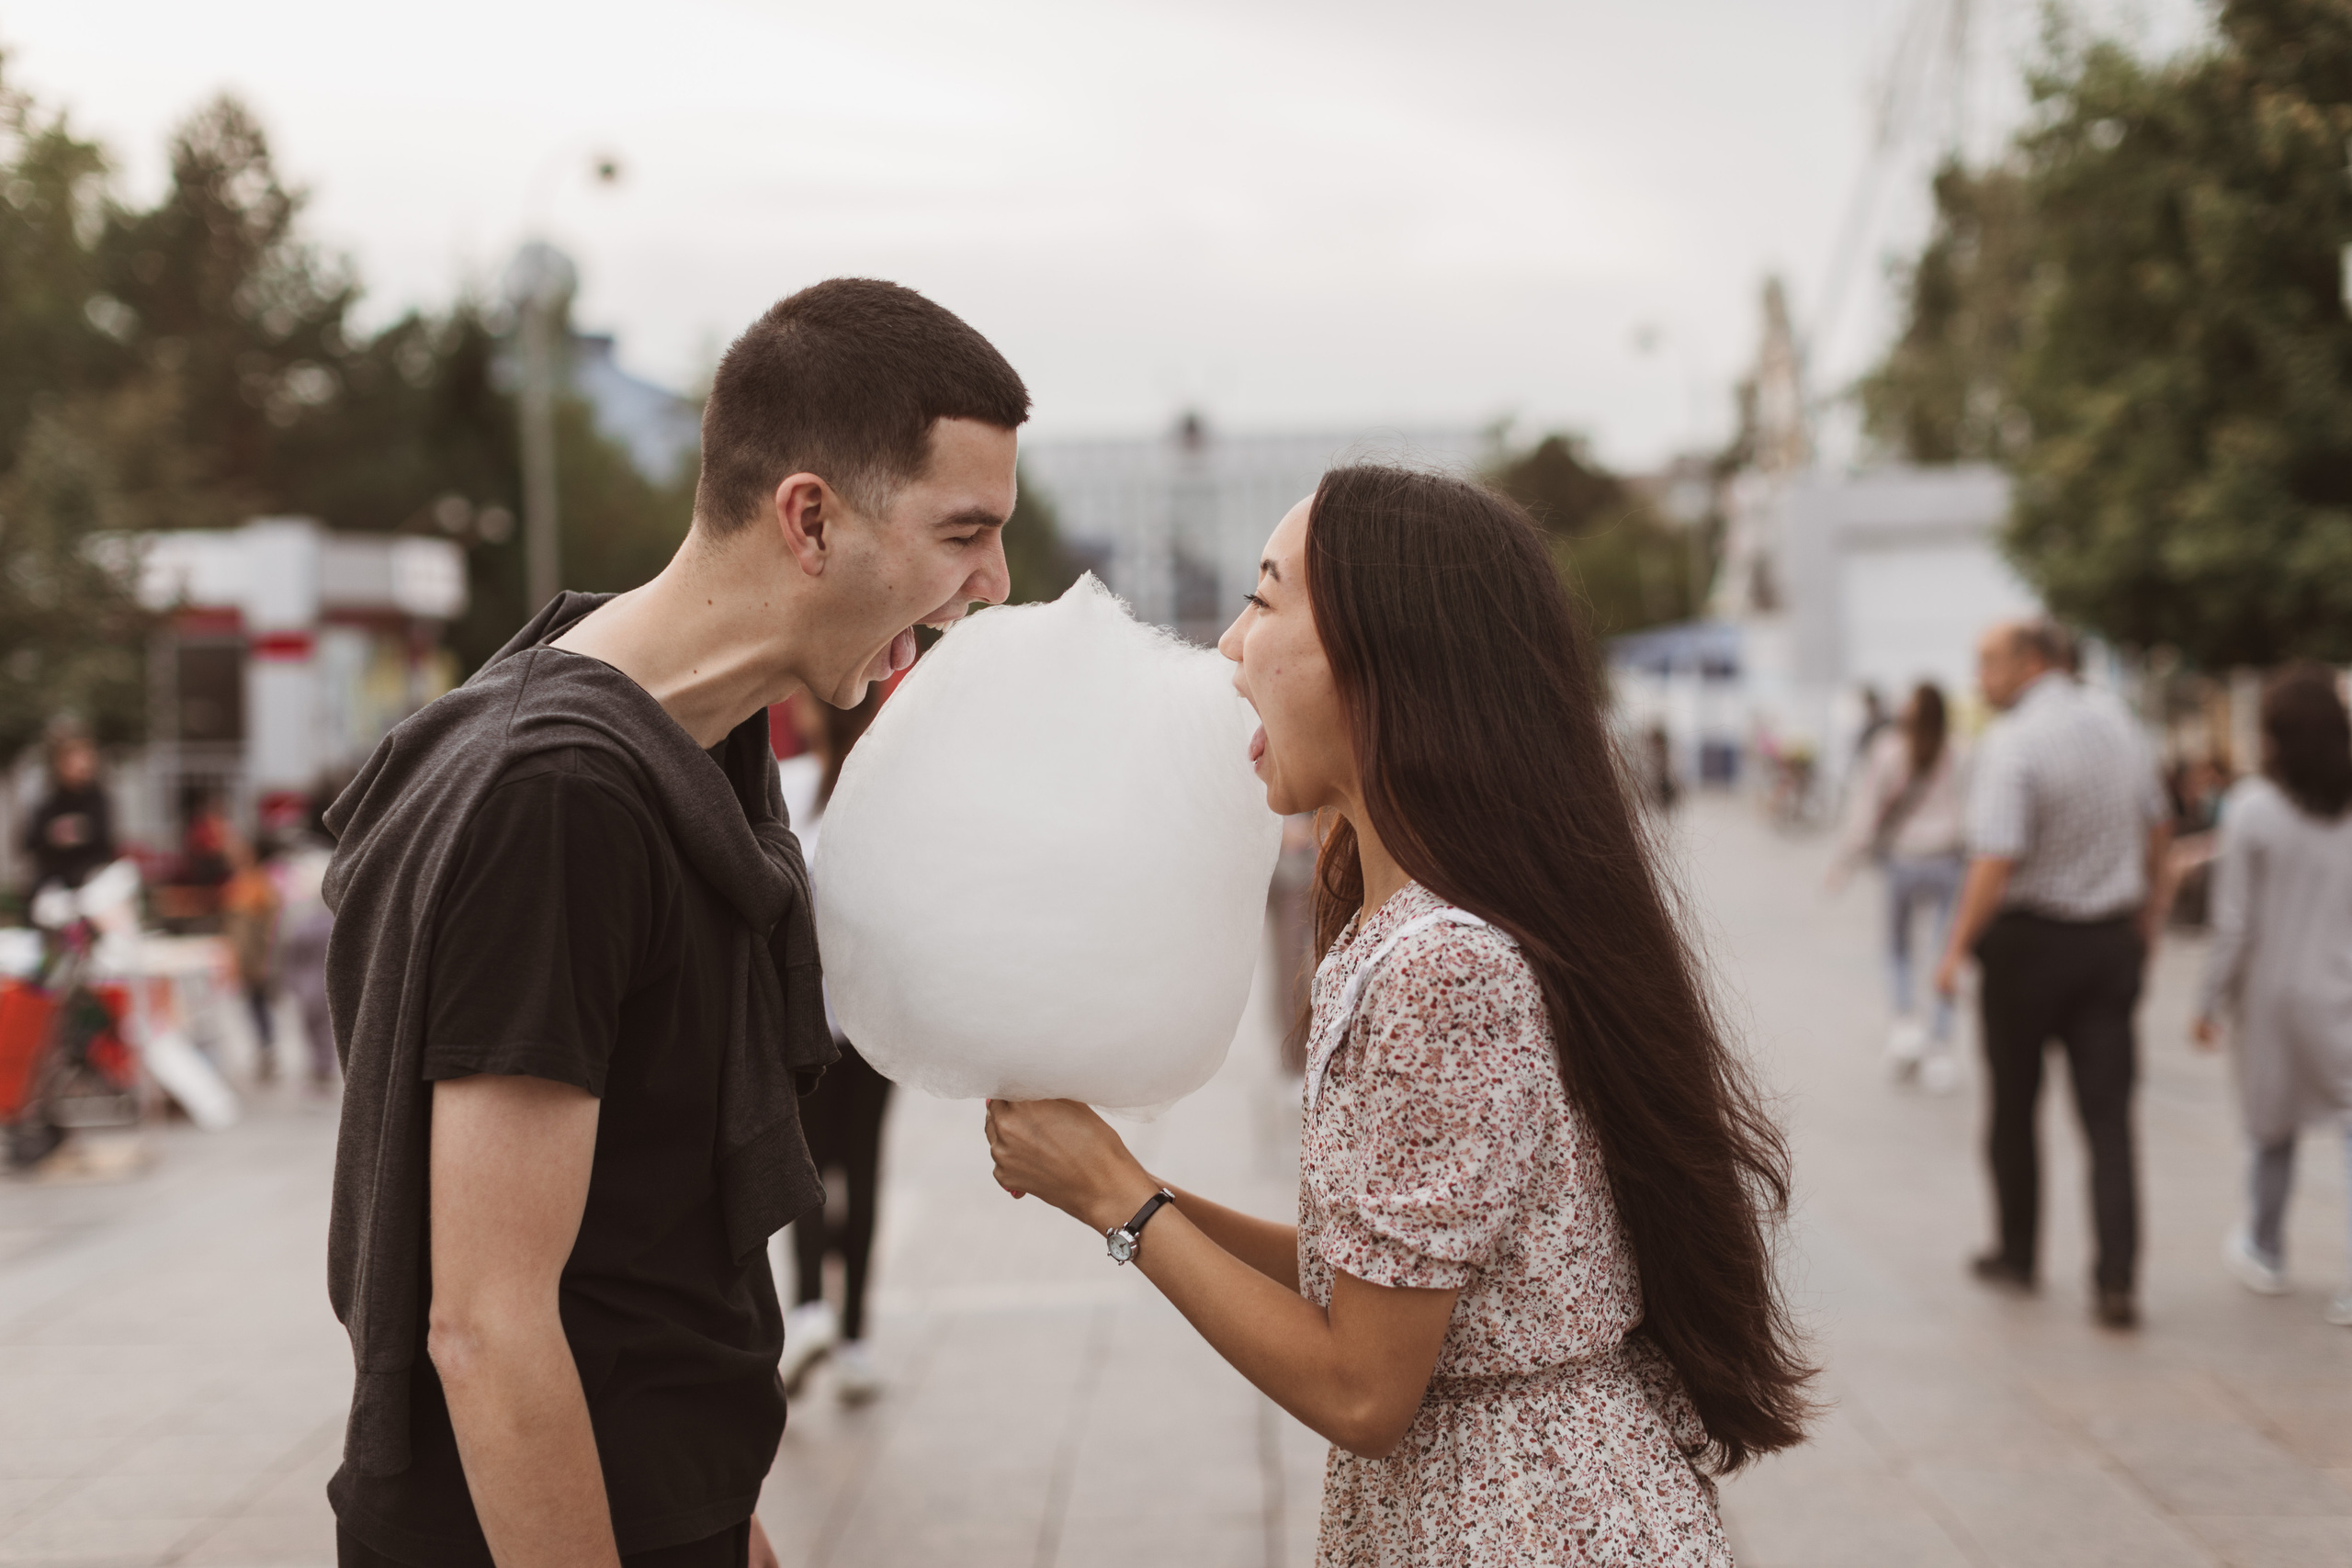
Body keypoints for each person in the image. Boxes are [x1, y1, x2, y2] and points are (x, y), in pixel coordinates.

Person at [321, 278, 1027, 1568]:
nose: (991, 583)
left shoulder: (692, 743)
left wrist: (726, 1519)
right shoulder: (561, 796)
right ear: (809, 518)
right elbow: (485, 1321)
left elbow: (634, 1261)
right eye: (962, 532)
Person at [986, 467, 1813, 1566]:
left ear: (1384, 663)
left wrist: (1119, 1201)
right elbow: (1369, 1278)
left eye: (1266, 599)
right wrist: (1112, 1175)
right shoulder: (1404, 931)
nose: (1230, 647)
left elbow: (1364, 1388)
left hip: (1521, 1519)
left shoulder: (1444, 967)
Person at [1935, 619, 2170, 1329]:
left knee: (2014, 1104)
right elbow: (2159, 827)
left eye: (1988, 663)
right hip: (2108, 940)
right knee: (2108, 1119)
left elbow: (1995, 859)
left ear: (2031, 662)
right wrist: (2149, 918)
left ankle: (2017, 1249)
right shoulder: (2118, 722)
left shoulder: (2013, 742)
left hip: (2029, 942)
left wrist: (1953, 949)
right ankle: (2117, 1276)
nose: (1979, 678)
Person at [2191, 664, 2352, 1327]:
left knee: (2270, 1124)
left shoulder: (2253, 808)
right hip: (2347, 990)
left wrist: (2206, 1001)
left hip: (2274, 996)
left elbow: (2234, 922)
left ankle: (2265, 1245)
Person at [776, 686, 895, 1404]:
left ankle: (833, 1324)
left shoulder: (851, 790)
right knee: (835, 1170)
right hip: (837, 1024)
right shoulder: (807, 786)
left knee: (827, 1170)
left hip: (845, 1024)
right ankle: (831, 1326)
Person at [1828, 682, 1967, 1091]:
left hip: (1903, 863)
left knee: (1897, 948)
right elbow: (1972, 810)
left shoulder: (1889, 749)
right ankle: (1939, 1047)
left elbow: (1867, 808)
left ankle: (1905, 1025)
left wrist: (1845, 861)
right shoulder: (1960, 749)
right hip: (1948, 861)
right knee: (1946, 953)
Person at [20, 725, 116, 895]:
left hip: (92, 881)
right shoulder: (49, 803)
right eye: (73, 761)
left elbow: (105, 840)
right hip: (55, 883)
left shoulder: (98, 801)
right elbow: (29, 842)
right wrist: (53, 836)